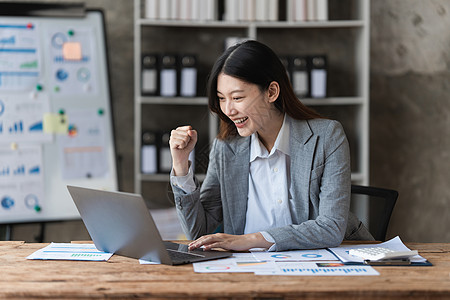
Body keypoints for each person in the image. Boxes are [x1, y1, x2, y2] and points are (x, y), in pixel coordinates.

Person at [169, 40, 373, 252]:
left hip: (319, 261)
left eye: (237, 97)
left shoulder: (327, 136)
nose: (228, 110)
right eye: (222, 98)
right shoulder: (226, 148)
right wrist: (181, 164)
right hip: (249, 266)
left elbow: (331, 227)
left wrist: (250, 240)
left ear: (272, 92)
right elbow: (198, 233)